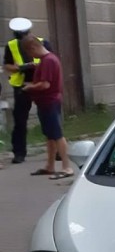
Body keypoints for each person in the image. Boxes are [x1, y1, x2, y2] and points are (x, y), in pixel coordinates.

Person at [20, 35, 73, 179]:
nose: (31, 56)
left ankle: (67, 167)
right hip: (45, 103)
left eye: (29, 52)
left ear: (33, 48)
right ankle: (50, 166)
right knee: (50, 136)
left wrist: (29, 87)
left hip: (50, 102)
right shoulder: (46, 60)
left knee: (57, 134)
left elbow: (45, 84)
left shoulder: (48, 60)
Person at [3, 17, 52, 164]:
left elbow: (51, 61)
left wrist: (37, 67)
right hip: (22, 87)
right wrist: (20, 67)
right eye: (18, 35)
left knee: (48, 118)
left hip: (41, 85)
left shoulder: (43, 43)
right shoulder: (11, 45)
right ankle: (19, 152)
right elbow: (7, 66)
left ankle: (54, 150)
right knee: (20, 121)